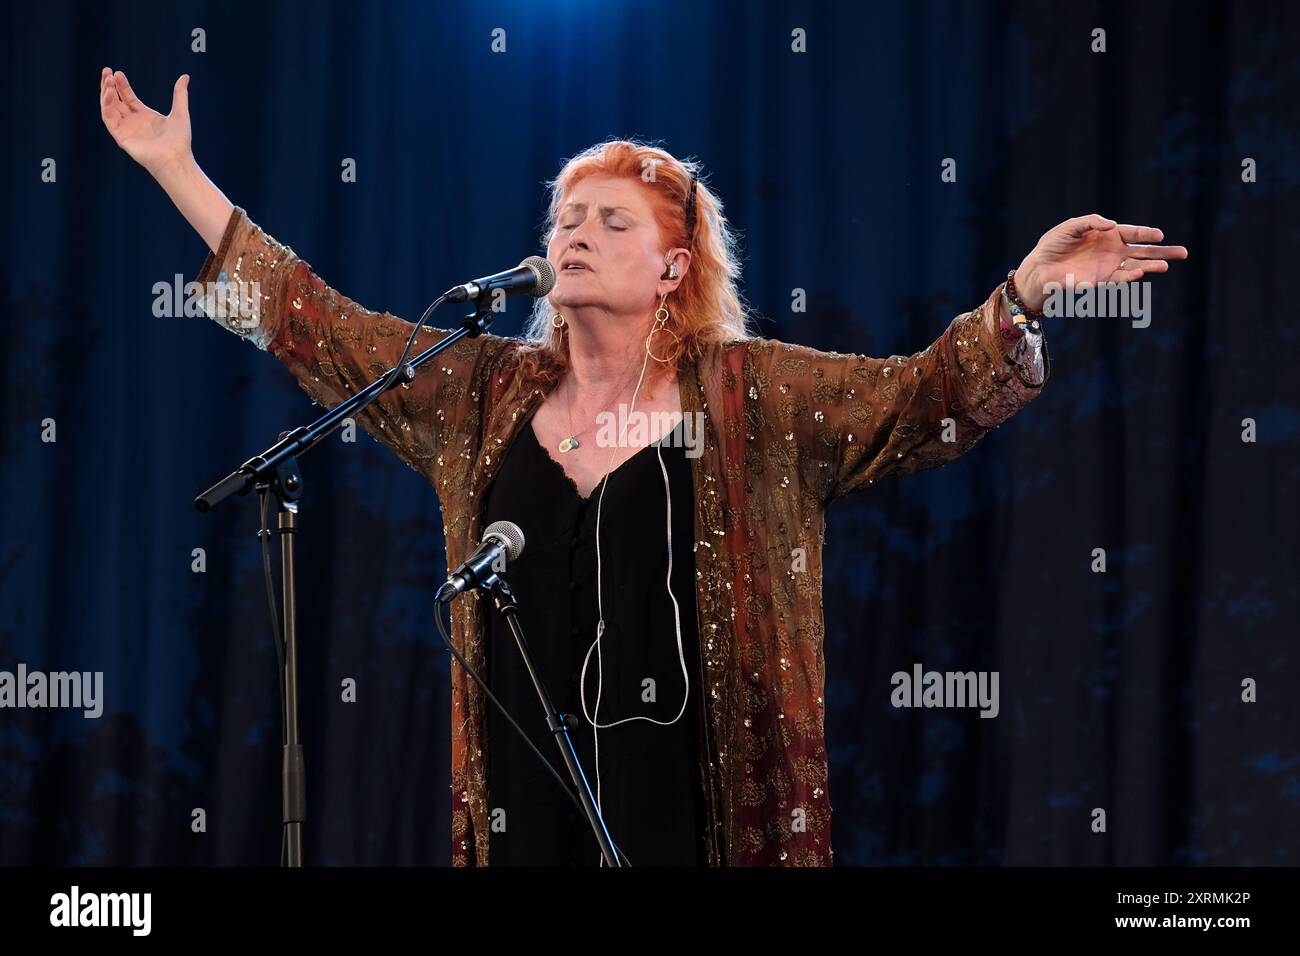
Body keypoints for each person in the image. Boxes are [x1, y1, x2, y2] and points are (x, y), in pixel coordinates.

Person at [99, 67, 1188, 866]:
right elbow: (314, 328)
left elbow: (923, 397)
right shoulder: (478, 393)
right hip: (524, 819)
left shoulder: (754, 394)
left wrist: (1025, 294)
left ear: (672, 266)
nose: (574, 232)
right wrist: (176, 171)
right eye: (565, 216)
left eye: (609, 221)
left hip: (703, 823)